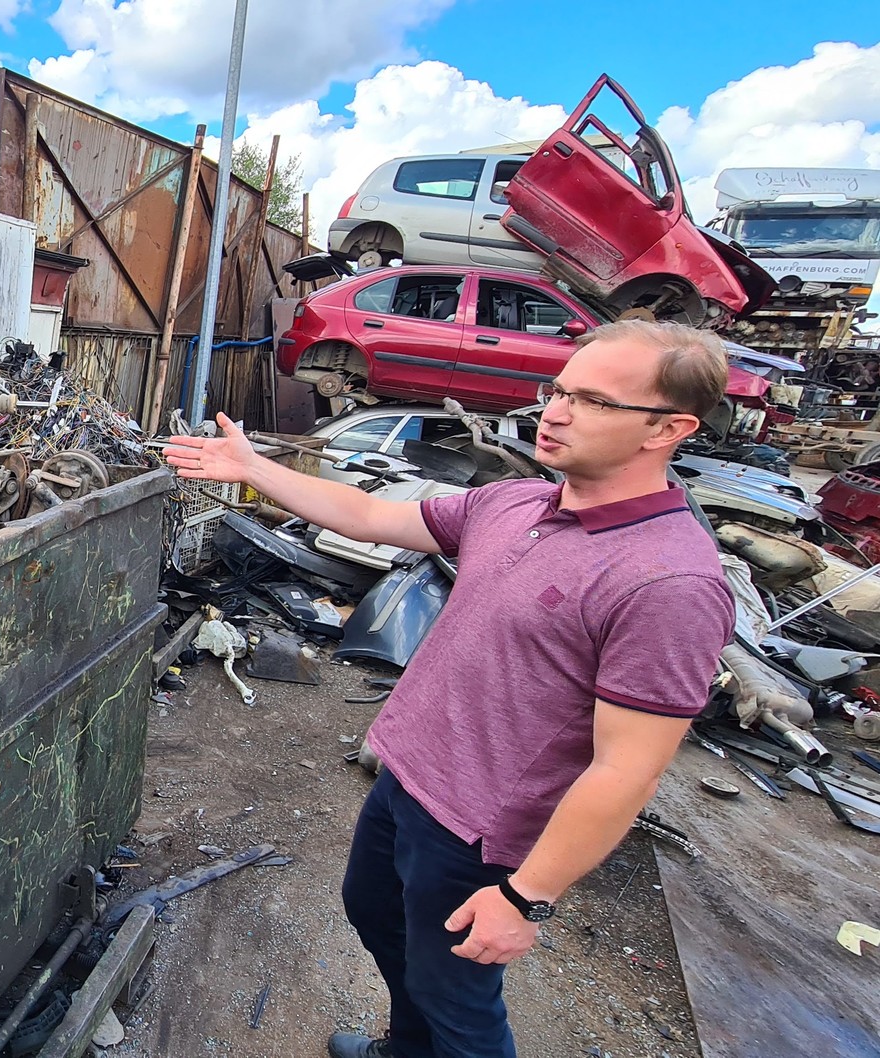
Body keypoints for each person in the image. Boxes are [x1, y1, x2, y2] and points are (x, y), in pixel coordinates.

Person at [162, 320, 735, 1058]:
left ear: (670, 429)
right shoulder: (516, 503)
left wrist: (527, 897)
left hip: (482, 831)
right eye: (558, 390)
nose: (556, 413)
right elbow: (371, 515)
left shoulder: (669, 581)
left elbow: (628, 768)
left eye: (594, 401)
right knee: (375, 915)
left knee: (457, 998)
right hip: (407, 777)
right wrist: (253, 466)